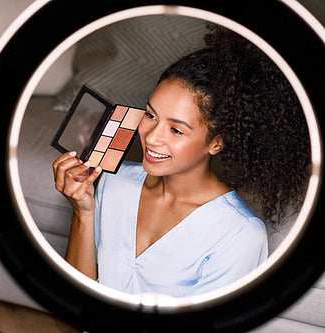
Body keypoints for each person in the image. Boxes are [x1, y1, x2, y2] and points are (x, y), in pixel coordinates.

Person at [52, 26, 310, 297]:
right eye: (151, 115)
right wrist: (83, 212)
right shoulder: (111, 182)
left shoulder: (238, 233)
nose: (152, 138)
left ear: (216, 142)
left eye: (176, 130)